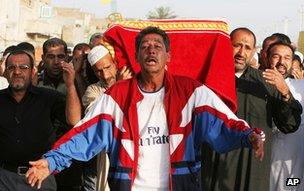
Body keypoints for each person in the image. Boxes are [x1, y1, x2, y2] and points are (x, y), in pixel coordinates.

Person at [26, 26, 264, 191]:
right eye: (145, 46)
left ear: (168, 56)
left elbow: (224, 121)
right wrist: (51, 161)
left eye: (158, 46)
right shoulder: (118, 96)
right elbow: (85, 133)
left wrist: (249, 135)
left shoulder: (191, 92)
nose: (151, 50)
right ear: (137, 57)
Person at [201, 28, 302, 191]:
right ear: (227, 46)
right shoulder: (209, 80)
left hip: (254, 168)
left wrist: (285, 93)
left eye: (247, 48)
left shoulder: (266, 82)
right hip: (216, 166)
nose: (241, 52)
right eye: (237, 45)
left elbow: (289, 124)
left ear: (254, 51)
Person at [0, 47, 74, 190]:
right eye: (11, 67)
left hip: (40, 177)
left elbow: (74, 121)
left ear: (33, 71)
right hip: (4, 179)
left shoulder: (49, 98)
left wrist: (70, 86)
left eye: (23, 67)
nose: (17, 72)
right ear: (5, 72)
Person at [38, 37, 83, 190]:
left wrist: (72, 84)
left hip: (70, 155)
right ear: (43, 58)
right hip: (42, 156)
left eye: (60, 57)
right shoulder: (35, 83)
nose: (56, 62)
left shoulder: (77, 82)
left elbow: (76, 121)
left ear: (67, 57)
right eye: (51, 57)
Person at [268, 42, 304, 191]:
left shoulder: (300, 87)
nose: (282, 62)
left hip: (294, 170)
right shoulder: (255, 84)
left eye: (287, 58)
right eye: (276, 56)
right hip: (264, 166)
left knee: (291, 185)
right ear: (266, 57)